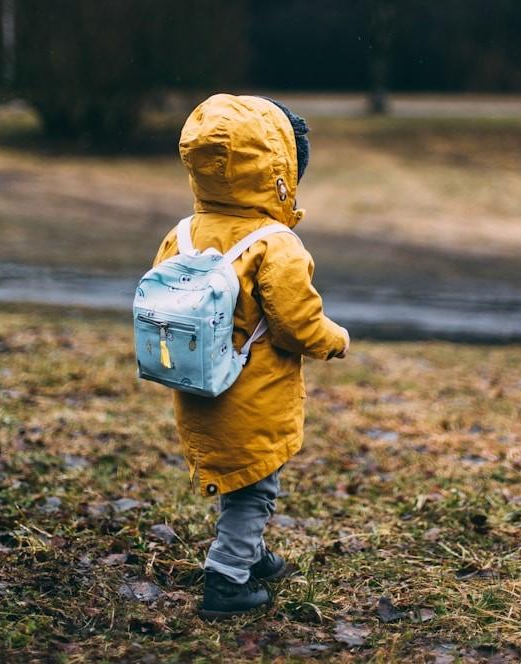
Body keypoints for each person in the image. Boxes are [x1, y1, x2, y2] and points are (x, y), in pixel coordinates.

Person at [153, 94, 350, 619]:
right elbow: (296, 323)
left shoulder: (183, 234)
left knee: (240, 477)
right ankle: (228, 577)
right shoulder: (275, 243)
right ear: (279, 170)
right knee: (256, 487)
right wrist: (334, 339)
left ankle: (251, 553)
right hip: (253, 393)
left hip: (199, 388)